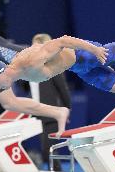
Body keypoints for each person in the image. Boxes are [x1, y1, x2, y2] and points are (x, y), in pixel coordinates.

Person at [30, 33, 71, 171]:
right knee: (46, 151)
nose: (32, 49)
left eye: (36, 46)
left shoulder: (53, 67)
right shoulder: (28, 67)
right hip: (35, 115)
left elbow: (63, 91)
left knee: (48, 150)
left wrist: (66, 111)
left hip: (50, 114)